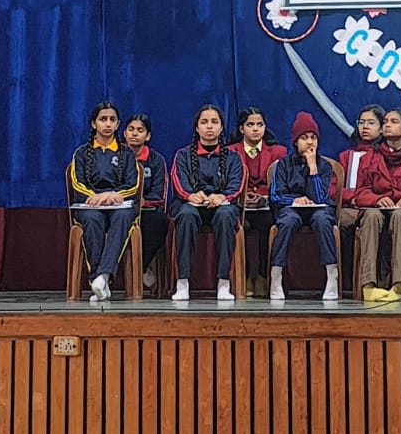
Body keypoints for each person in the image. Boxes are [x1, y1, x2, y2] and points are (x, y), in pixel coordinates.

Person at [352, 109, 401, 302]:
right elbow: (360, 193)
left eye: (394, 121)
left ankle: (399, 285)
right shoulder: (368, 159)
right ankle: (368, 286)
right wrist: (376, 199)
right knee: (371, 215)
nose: (387, 125)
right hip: (378, 210)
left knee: (400, 215)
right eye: (386, 121)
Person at [169, 105, 245, 301]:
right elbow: (178, 182)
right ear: (197, 128)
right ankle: (183, 282)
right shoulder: (183, 155)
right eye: (204, 122)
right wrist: (190, 196)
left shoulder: (234, 157)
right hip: (192, 205)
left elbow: (237, 185)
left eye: (214, 122)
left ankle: (224, 282)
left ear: (221, 128)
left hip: (222, 205)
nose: (209, 127)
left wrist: (223, 197)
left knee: (226, 216)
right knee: (186, 215)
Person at [67, 101, 140, 301]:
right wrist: (97, 197)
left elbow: (133, 185)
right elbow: (77, 183)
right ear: (94, 124)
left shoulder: (127, 154)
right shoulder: (81, 153)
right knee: (92, 220)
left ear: (118, 125)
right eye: (103, 119)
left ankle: (103, 276)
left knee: (123, 217)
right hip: (91, 204)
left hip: (119, 204)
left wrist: (113, 195)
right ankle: (98, 279)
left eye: (112, 120)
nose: (107, 124)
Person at [268, 111, 340, 301]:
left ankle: (332, 275)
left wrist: (313, 169)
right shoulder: (283, 165)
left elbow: (321, 198)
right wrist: (294, 201)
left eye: (313, 138)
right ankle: (276, 274)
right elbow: (275, 195)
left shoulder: (324, 166)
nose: (309, 142)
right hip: (291, 209)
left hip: (318, 210)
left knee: (323, 220)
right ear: (295, 141)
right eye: (304, 138)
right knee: (288, 221)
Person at [233, 107, 287, 297]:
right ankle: (246, 275)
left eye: (260, 125)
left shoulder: (278, 152)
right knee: (240, 225)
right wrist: (243, 196)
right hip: (240, 206)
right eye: (250, 125)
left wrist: (263, 197)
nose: (255, 129)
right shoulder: (231, 152)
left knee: (267, 224)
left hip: (266, 205)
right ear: (241, 129)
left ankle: (263, 276)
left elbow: (281, 183)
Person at [338, 104, 386, 282]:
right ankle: (347, 279)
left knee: (379, 220)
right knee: (341, 221)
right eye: (361, 122)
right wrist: (353, 199)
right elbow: (334, 188)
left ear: (381, 128)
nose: (365, 127)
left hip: (376, 208)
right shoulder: (346, 157)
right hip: (351, 207)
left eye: (371, 123)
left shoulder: (386, 156)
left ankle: (379, 278)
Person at [123, 113, 169, 289]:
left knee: (160, 221)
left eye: (140, 130)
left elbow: (159, 195)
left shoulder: (156, 160)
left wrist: (142, 202)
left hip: (146, 210)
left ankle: (139, 267)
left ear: (147, 136)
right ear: (124, 133)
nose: (135, 133)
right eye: (131, 129)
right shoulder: (116, 156)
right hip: (120, 209)